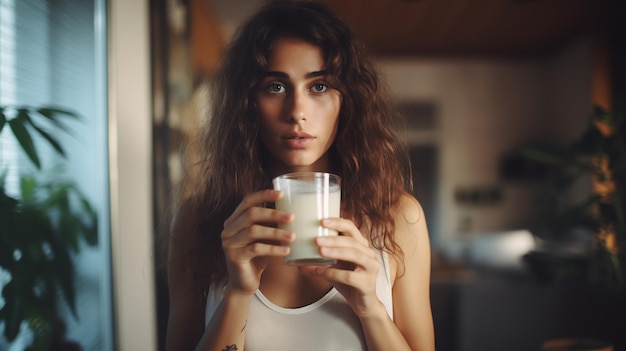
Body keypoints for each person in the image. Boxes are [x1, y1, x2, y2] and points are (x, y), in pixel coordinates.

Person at [164, 1, 435, 350]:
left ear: (347, 100)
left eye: (319, 86)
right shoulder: (198, 220)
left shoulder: (398, 218)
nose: (297, 112)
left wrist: (371, 309)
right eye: (275, 87)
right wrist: (238, 293)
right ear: (247, 102)